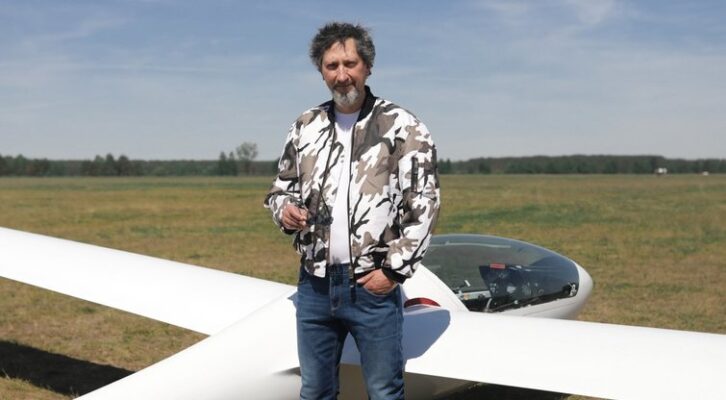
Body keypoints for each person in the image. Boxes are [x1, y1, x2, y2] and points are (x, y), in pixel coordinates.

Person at [264, 21, 440, 400]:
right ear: (321, 71)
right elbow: (280, 190)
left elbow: (424, 204)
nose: (342, 75)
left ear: (368, 67)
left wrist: (392, 272)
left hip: (371, 287)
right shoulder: (305, 126)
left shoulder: (403, 127)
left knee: (383, 391)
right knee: (315, 390)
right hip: (314, 286)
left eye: (350, 64)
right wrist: (285, 211)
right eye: (332, 66)